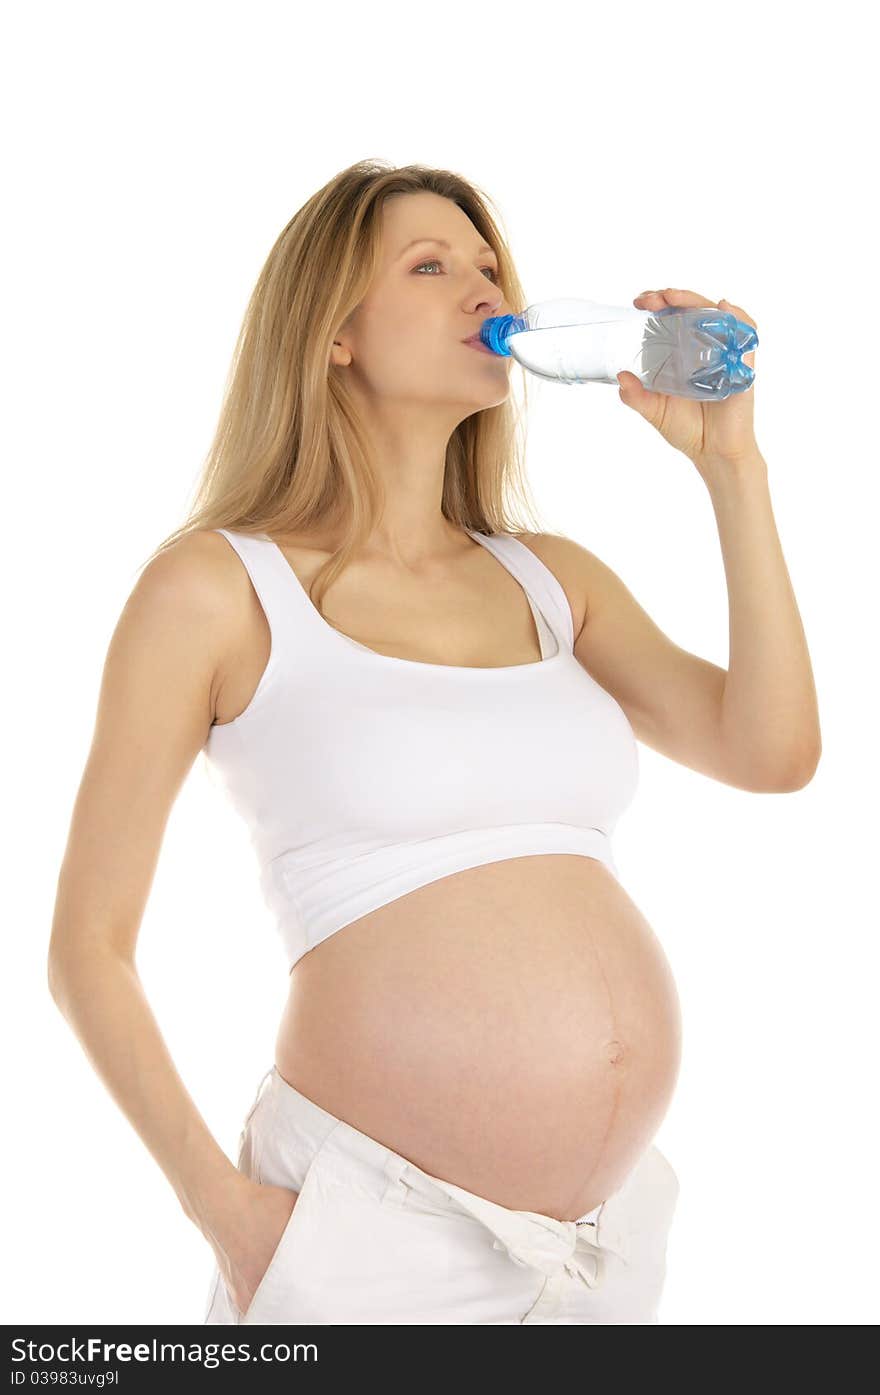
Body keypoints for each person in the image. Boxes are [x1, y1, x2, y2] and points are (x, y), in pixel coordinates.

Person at [47, 159, 821, 1326]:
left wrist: (733, 471)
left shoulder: (550, 579)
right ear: (335, 333)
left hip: (598, 1249)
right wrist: (226, 1212)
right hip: (362, 1240)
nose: (482, 287)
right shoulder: (217, 589)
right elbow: (87, 948)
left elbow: (771, 755)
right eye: (430, 265)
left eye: (489, 264)